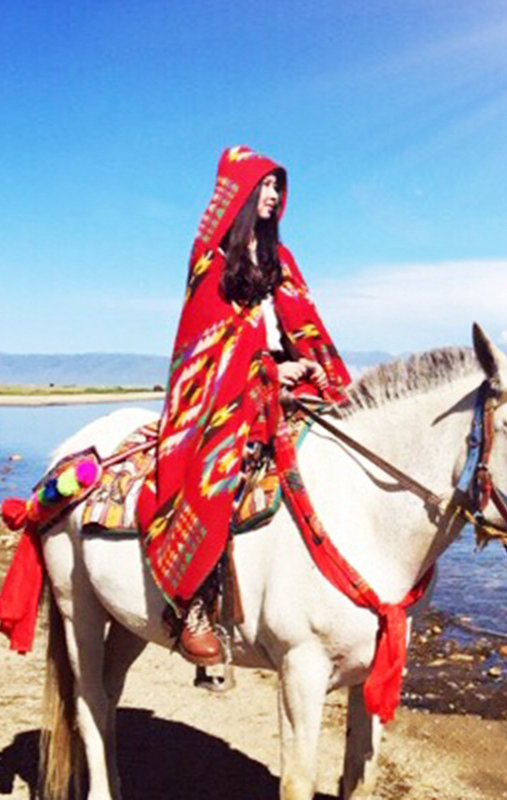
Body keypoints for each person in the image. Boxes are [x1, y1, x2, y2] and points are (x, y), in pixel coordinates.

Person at [136, 145, 351, 665]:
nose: (275, 197)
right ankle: (192, 606)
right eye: (266, 187)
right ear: (241, 191)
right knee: (218, 476)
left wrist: (316, 365)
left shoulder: (282, 259)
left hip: (280, 379)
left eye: (280, 187)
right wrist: (270, 372)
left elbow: (302, 326)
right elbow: (209, 343)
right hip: (225, 395)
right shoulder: (211, 260)